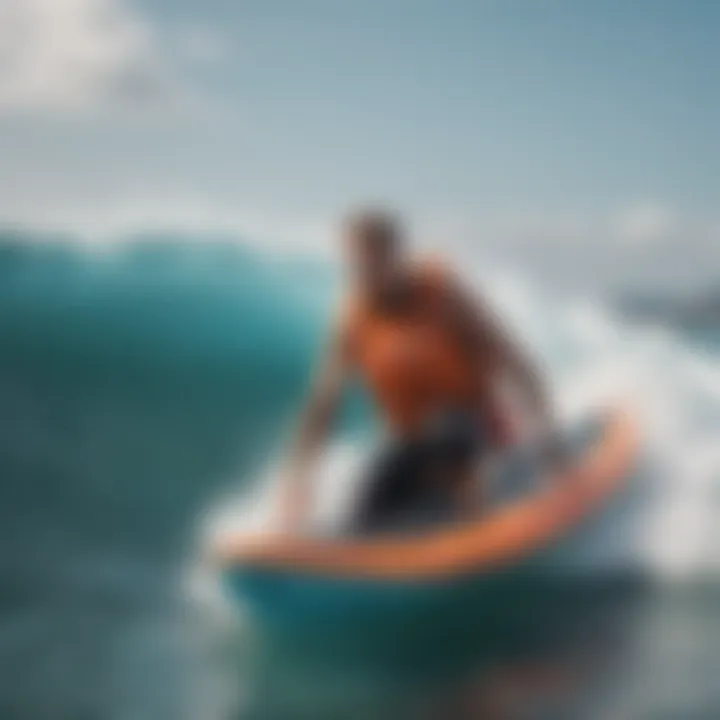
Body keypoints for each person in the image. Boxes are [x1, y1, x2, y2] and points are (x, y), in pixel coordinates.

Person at [278, 209, 560, 533]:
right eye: (355, 266)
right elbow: (323, 404)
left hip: (480, 429)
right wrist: (298, 481)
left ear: (396, 256)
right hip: (412, 446)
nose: (363, 275)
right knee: (366, 511)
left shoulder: (442, 293)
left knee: (448, 432)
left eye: (372, 264)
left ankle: (479, 511)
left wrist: (548, 442)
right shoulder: (354, 319)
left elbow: (516, 362)